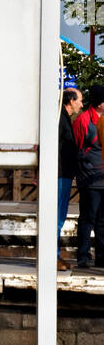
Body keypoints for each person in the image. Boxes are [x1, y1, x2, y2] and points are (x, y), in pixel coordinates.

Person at [73, 83, 104, 270]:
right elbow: (76, 148)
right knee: (87, 218)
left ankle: (101, 256)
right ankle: (83, 256)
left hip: (103, 178)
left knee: (103, 221)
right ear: (99, 102)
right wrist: (85, 168)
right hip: (90, 179)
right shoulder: (84, 120)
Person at [58, 82, 82, 270]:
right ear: (71, 101)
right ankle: (54, 256)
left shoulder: (64, 119)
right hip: (60, 173)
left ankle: (54, 255)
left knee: (60, 214)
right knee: (57, 215)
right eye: (79, 101)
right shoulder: (61, 120)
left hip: (64, 172)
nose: (81, 105)